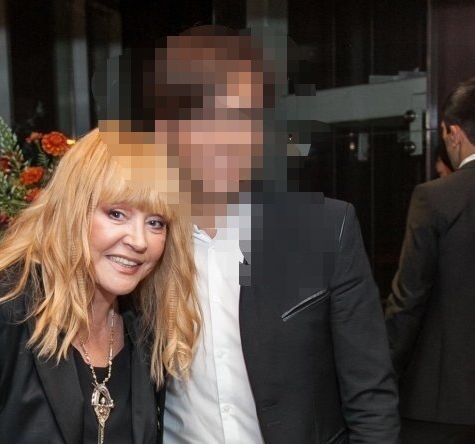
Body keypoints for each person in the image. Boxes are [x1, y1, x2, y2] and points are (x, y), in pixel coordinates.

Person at [129, 25, 399, 443]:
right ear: (166, 129)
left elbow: (371, 399)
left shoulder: (325, 229)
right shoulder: (140, 243)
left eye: (244, 117)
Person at [0, 128, 200, 443]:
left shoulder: (143, 328)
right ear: (73, 210)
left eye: (155, 222)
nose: (139, 241)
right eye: (116, 214)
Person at [385, 78, 475, 443]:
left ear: (453, 133)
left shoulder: (435, 198)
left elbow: (409, 300)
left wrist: (380, 374)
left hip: (442, 404)